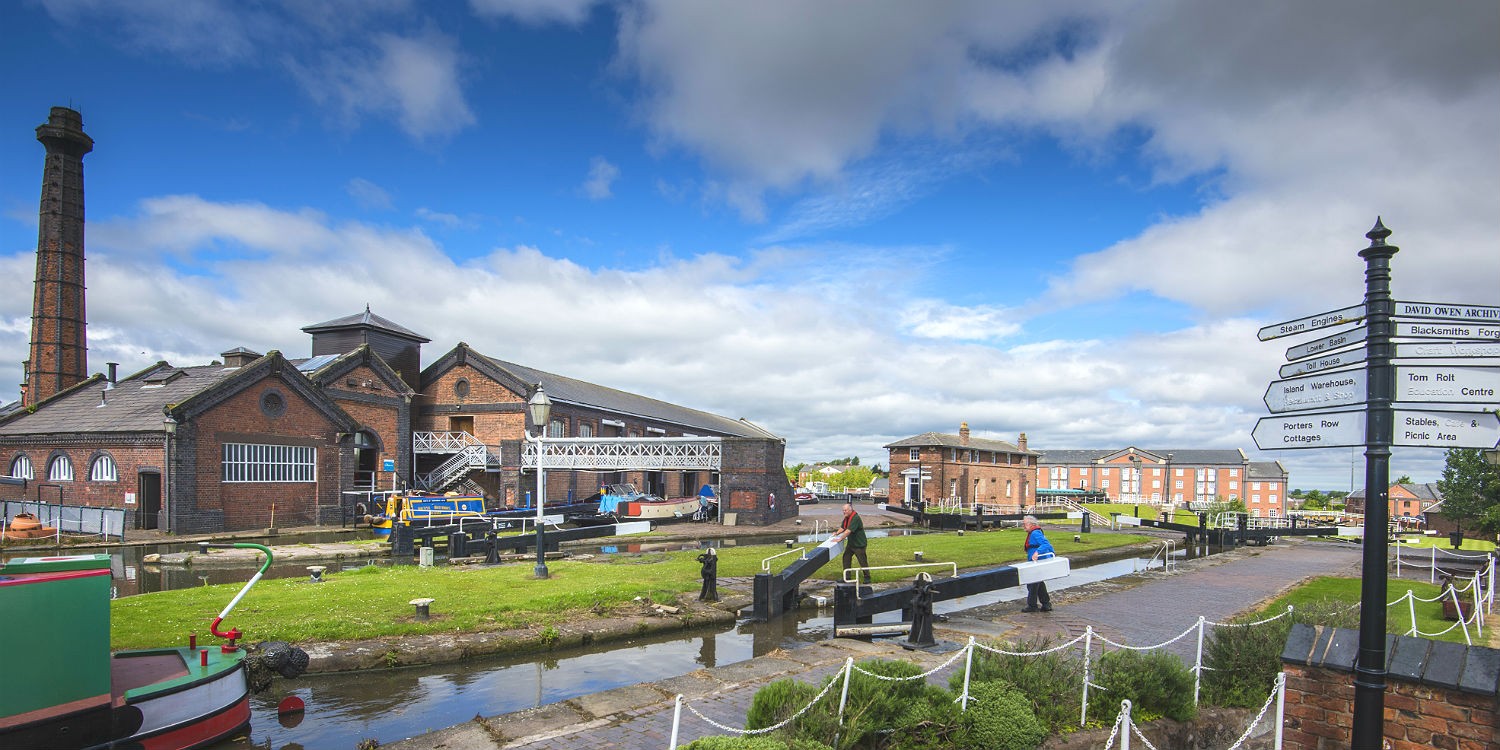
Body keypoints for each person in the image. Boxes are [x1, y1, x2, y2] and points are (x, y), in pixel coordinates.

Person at [1021, 515, 1054, 613]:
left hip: (1037, 562)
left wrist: (1037, 552)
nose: (1023, 526)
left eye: (1025, 524)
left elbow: (1046, 544)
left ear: (1031, 524)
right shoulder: (1035, 532)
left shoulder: (1035, 533)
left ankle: (1032, 606)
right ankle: (1046, 604)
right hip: (1037, 562)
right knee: (1038, 583)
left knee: (1032, 583)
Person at [832, 501, 871, 584]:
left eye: (845, 510)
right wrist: (837, 533)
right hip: (851, 543)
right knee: (846, 557)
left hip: (859, 544)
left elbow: (848, 531)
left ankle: (867, 577)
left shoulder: (855, 518)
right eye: (843, 510)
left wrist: (840, 539)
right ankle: (847, 577)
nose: (844, 512)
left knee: (862, 561)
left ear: (850, 510)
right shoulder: (847, 517)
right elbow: (843, 527)